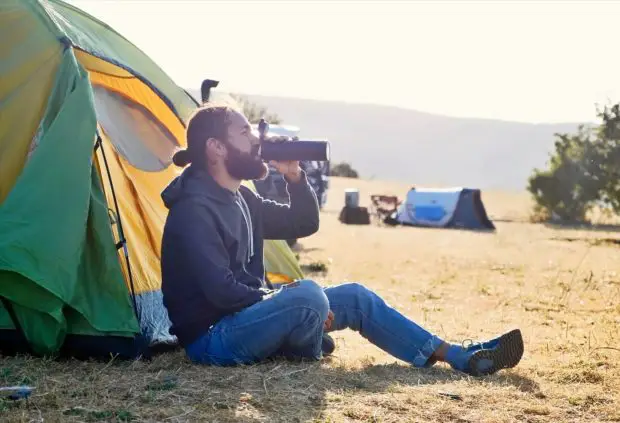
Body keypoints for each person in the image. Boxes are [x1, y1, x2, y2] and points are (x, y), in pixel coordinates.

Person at [160, 104, 524, 376]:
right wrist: (290, 303)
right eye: (244, 134)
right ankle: (300, 340)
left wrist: (293, 178)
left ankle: (459, 356)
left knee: (354, 296)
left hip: (247, 318)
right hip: (213, 338)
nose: (256, 142)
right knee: (305, 295)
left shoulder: (243, 198)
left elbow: (301, 222)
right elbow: (221, 291)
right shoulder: (193, 208)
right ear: (216, 148)